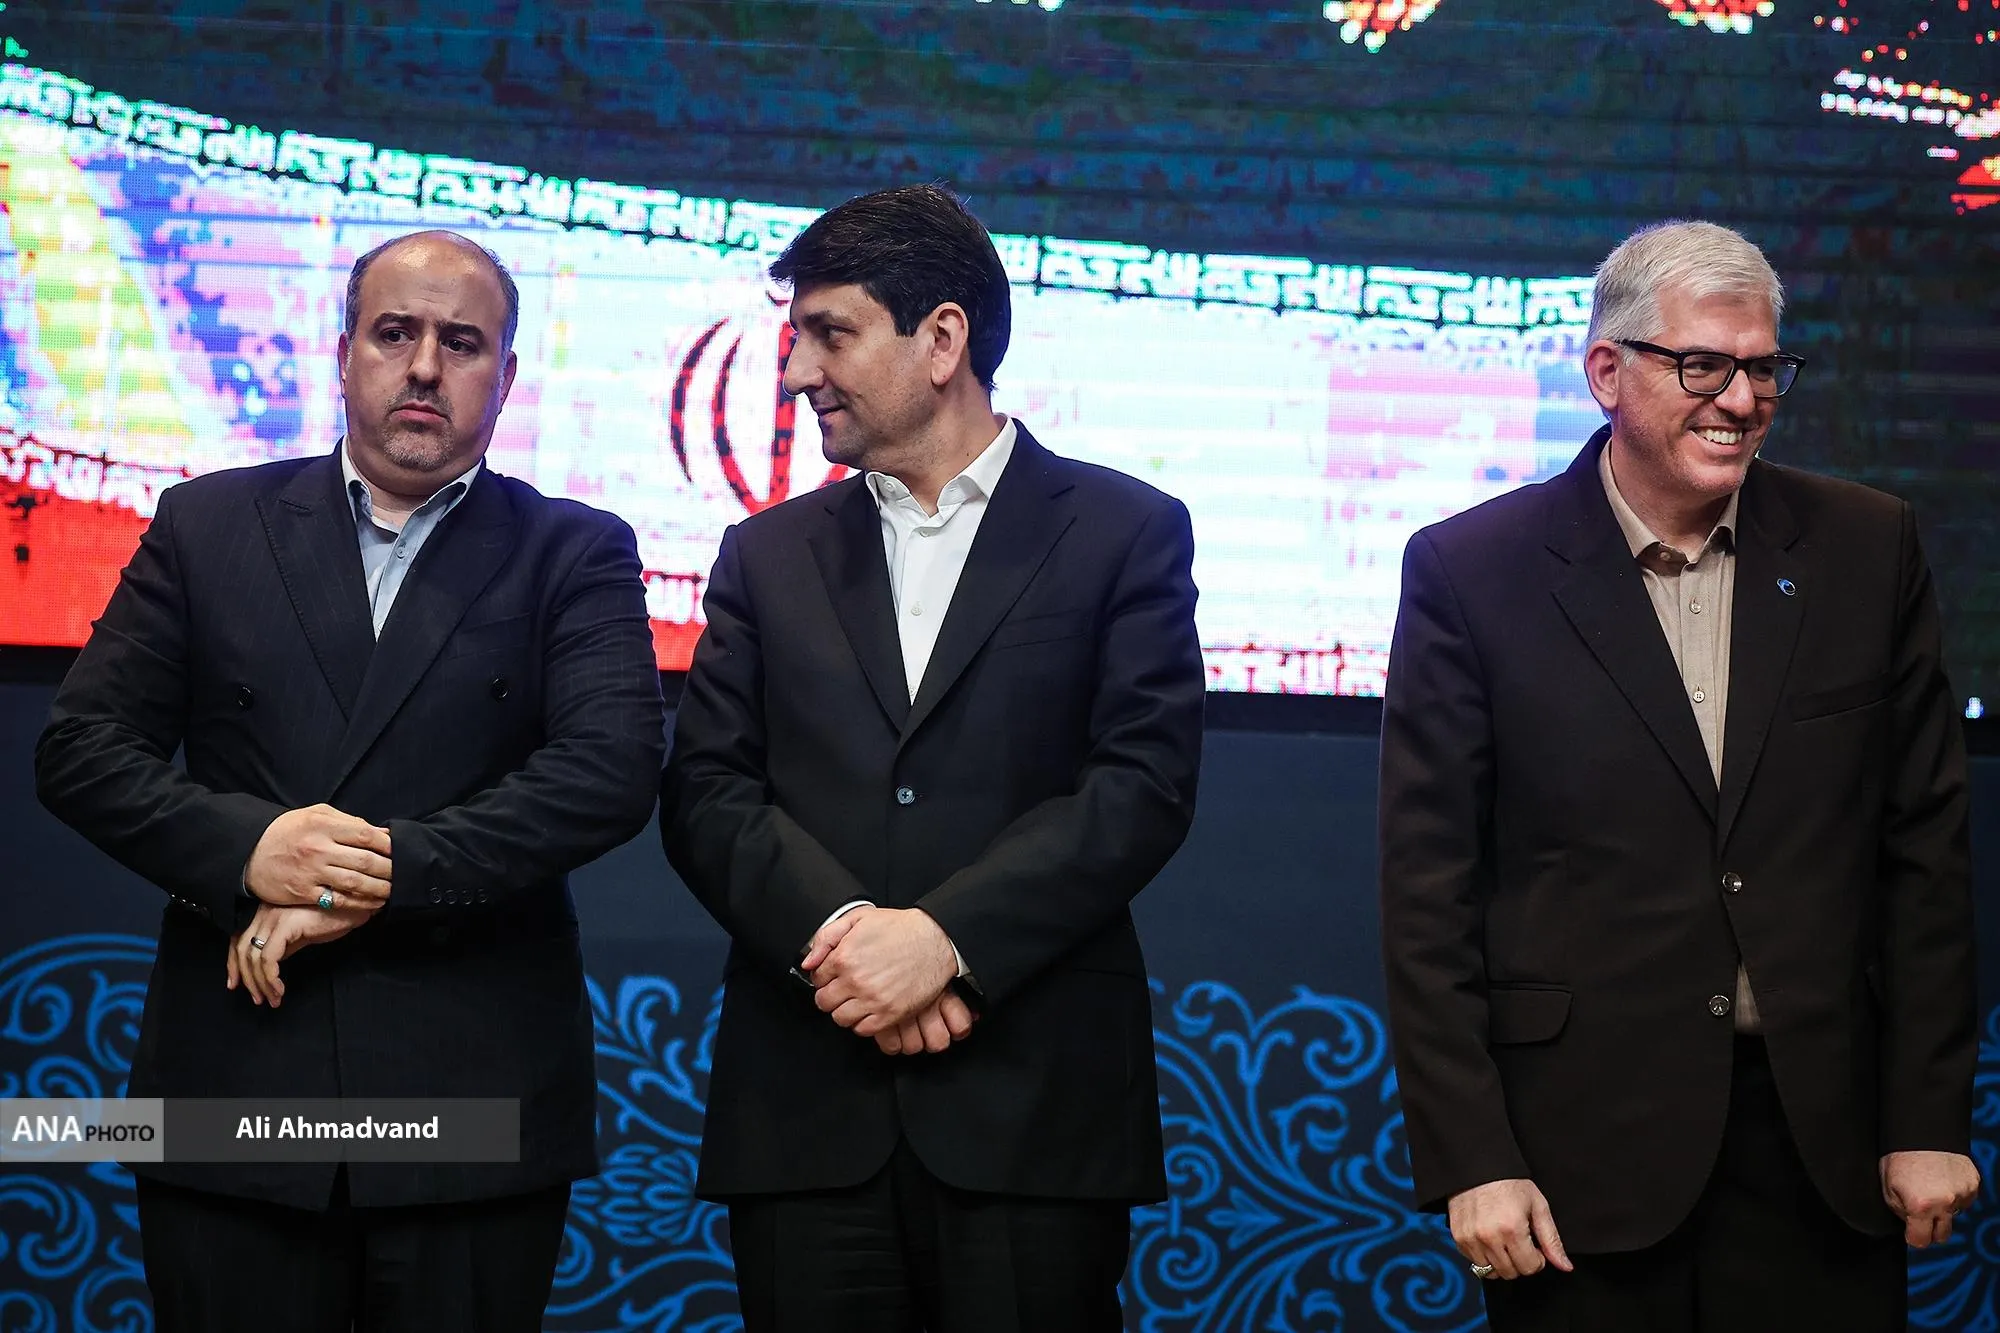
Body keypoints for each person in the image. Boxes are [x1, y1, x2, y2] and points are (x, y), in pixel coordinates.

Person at [35, 229, 665, 1332]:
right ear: (342, 354)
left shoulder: (574, 548)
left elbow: (608, 770)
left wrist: (368, 875)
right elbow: (82, 747)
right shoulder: (207, 523)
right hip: (235, 1087)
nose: (423, 366)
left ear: (506, 375)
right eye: (394, 333)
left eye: (460, 342)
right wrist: (250, 848)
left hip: (470, 1100)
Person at [1377, 219, 1979, 1330]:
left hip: (1821, 1151)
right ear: (1606, 372)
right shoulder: (1471, 571)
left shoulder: (1866, 547)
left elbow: (1924, 856)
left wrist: (1929, 1116)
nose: (1739, 401)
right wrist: (1471, 1156)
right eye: (1702, 366)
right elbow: (1429, 894)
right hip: (1575, 1164)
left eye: (1763, 368)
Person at [659, 184, 1205, 1332]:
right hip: (806, 1111)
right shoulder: (764, 554)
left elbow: (1138, 785)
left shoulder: (1123, 531)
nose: (797, 373)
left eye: (830, 334)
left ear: (942, 339)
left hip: (1031, 1110)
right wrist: (848, 938)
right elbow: (706, 792)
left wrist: (945, 943)